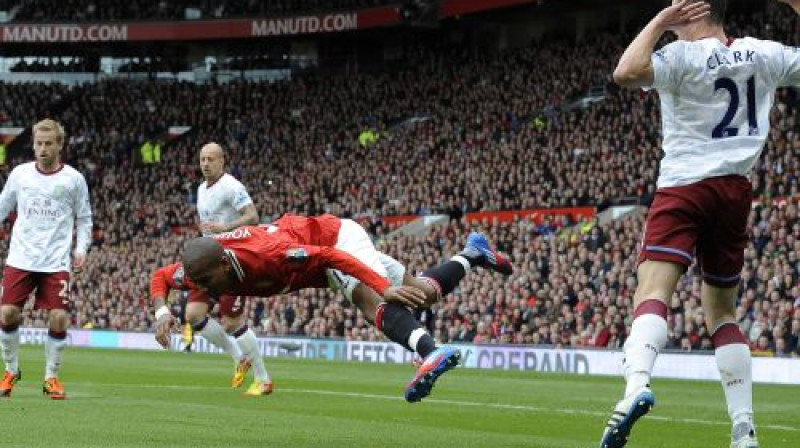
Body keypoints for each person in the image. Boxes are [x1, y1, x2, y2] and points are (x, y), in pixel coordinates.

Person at [601, 1, 800, 447]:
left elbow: (625, 72)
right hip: (734, 191)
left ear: (694, 11)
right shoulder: (761, 53)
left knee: (652, 291)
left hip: (684, 186)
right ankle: (744, 430)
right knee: (723, 314)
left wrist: (656, 22)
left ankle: (634, 387)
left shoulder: (679, 58)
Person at [151, 214, 512, 402]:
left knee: (370, 303)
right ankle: (472, 253)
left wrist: (381, 287)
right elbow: (161, 278)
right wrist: (163, 313)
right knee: (423, 293)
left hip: (336, 241)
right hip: (327, 253)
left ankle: (431, 352)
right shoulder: (203, 267)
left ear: (223, 266)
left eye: (201, 281)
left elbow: (329, 256)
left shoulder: (268, 256)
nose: (195, 288)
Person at [0, 119, 93, 399]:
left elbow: (84, 219)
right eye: (38, 143)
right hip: (21, 256)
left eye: (48, 143)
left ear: (59, 144)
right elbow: (2, 206)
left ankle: (51, 377)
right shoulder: (20, 174)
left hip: (55, 261)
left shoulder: (74, 180)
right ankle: (11, 370)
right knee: (7, 313)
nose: (42, 148)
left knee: (59, 316)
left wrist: (81, 249)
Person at [176, 142, 267, 395]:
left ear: (221, 162)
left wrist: (226, 229)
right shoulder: (201, 189)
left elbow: (253, 216)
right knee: (193, 315)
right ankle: (239, 359)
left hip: (231, 260)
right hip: (207, 260)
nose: (205, 163)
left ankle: (263, 378)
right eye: (202, 159)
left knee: (231, 321)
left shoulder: (232, 186)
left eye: (210, 159)